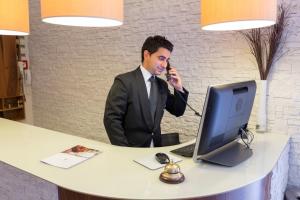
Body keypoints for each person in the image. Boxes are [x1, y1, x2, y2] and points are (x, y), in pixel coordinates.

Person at [103, 35, 188, 147]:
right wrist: (124, 151)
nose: (164, 65)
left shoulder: (161, 85)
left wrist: (178, 88)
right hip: (131, 149)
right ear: (147, 54)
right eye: (161, 58)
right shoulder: (124, 81)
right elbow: (111, 120)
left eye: (167, 60)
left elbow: (178, 111)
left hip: (155, 149)